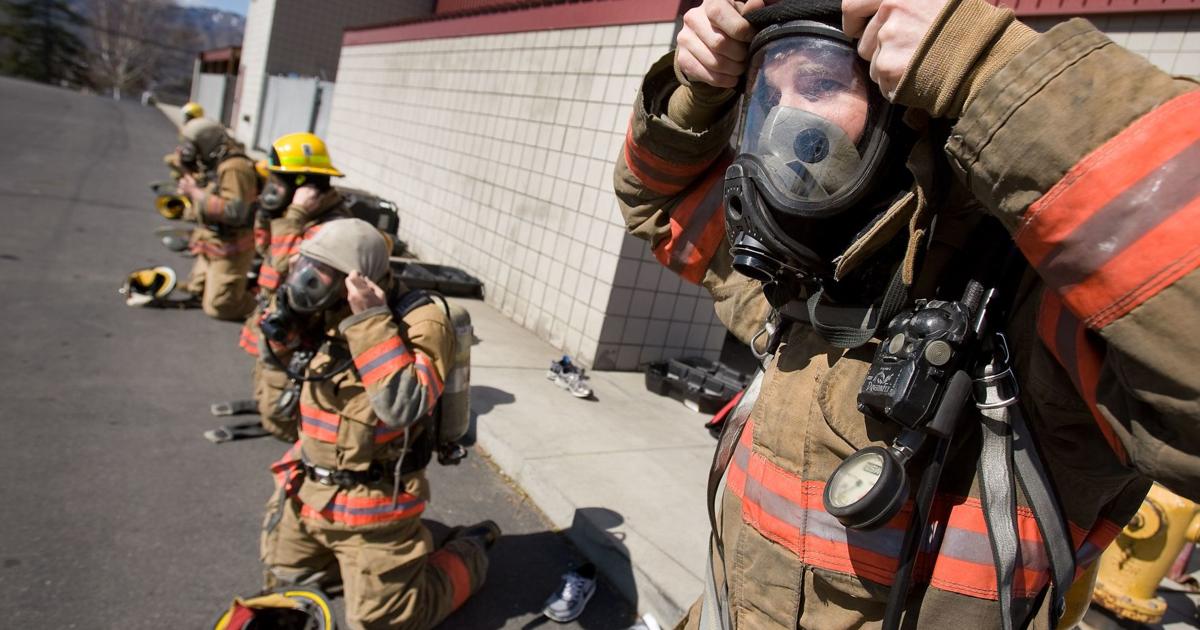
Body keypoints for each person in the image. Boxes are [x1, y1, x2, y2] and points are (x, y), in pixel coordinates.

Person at [613, 0, 1199, 628]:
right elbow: (658, 204)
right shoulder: (801, 280)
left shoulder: (1026, 300)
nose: (786, 120)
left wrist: (987, 69)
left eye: (818, 84)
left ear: (907, 94)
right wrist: (694, 98)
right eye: (767, 91)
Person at [258, 218, 496, 630]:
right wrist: (281, 327)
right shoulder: (321, 309)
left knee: (381, 622)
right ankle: (360, 566)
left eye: (321, 274)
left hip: (374, 504)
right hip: (308, 490)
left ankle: (469, 552)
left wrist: (368, 320)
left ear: (358, 279)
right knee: (288, 582)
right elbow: (278, 411)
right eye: (306, 270)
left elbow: (402, 406)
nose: (307, 283)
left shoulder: (421, 322)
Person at [236, 132, 355, 442]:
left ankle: (301, 431)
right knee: (264, 379)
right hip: (276, 321)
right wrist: (268, 212)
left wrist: (293, 216)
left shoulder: (329, 228)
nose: (272, 188)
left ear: (304, 185)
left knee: (279, 418)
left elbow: (280, 272)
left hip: (300, 330)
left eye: (278, 181)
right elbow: (264, 250)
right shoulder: (293, 217)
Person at [175, 117, 259, 320]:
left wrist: (195, 192)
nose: (187, 150)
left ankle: (263, 306)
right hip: (214, 243)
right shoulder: (215, 162)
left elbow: (235, 213)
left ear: (204, 143)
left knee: (220, 307)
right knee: (196, 291)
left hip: (233, 247)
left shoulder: (235, 168)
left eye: (191, 145)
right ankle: (233, 284)